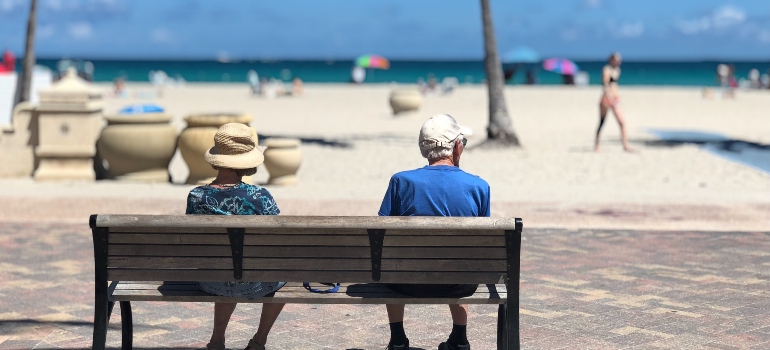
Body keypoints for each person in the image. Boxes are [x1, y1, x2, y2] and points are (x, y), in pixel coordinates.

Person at [378, 114, 490, 350]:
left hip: (406, 282)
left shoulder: (401, 182)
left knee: (392, 261)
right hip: (460, 284)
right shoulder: (479, 187)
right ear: (457, 146)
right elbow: (481, 245)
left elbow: (382, 233)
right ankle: (459, 339)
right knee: (463, 258)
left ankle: (398, 340)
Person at [186, 123, 285, 350]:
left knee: (224, 263)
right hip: (256, 284)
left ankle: (217, 340)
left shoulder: (196, 196)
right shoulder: (261, 197)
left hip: (210, 282)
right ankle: (259, 341)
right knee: (286, 269)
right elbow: (277, 242)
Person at [595, 52, 632, 152]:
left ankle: (625, 145)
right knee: (602, 122)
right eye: (617, 59)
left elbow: (614, 85)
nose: (618, 61)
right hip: (606, 99)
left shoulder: (617, 70)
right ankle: (597, 144)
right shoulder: (606, 69)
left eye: (619, 59)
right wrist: (609, 96)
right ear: (611, 59)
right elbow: (605, 84)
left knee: (622, 122)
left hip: (615, 99)